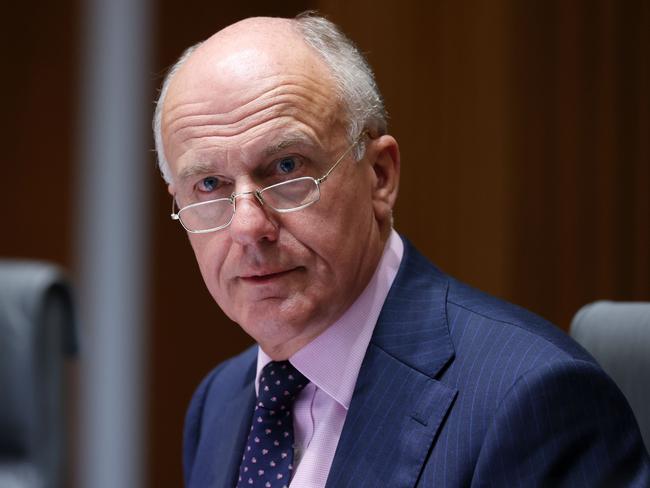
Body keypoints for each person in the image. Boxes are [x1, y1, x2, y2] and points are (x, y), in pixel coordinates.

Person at [153, 12, 650, 488]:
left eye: (286, 168)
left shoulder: (530, 402)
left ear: (380, 176)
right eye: (210, 184)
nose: (247, 226)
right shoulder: (220, 401)